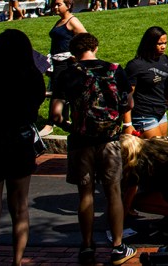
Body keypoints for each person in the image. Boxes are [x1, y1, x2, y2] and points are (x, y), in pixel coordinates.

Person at [49, 32, 136, 266]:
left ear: (74, 53)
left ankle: (87, 245)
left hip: (81, 141)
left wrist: (72, 126)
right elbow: (128, 103)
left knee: (85, 194)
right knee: (113, 192)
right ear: (95, 47)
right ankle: (118, 246)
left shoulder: (67, 74)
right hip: (109, 139)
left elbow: (55, 114)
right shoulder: (115, 70)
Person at [0, 29, 47, 266]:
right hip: (20, 141)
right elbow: (36, 105)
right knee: (20, 208)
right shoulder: (33, 78)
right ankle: (17, 261)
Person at [118, 136, 168, 237]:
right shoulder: (158, 142)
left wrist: (117, 225)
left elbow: (128, 202)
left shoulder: (136, 166)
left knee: (136, 202)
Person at [123, 27, 168, 139]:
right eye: (159, 43)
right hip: (143, 114)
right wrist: (127, 124)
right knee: (155, 152)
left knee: (163, 150)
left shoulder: (165, 60)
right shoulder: (135, 65)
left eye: (165, 43)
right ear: (149, 43)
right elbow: (127, 95)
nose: (163, 46)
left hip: (161, 111)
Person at [48, 0, 87, 90]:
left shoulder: (72, 21)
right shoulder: (60, 21)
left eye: (59, 4)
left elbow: (86, 39)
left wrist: (77, 55)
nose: (55, 7)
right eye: (54, 5)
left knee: (60, 94)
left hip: (65, 63)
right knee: (57, 93)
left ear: (68, 6)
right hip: (56, 61)